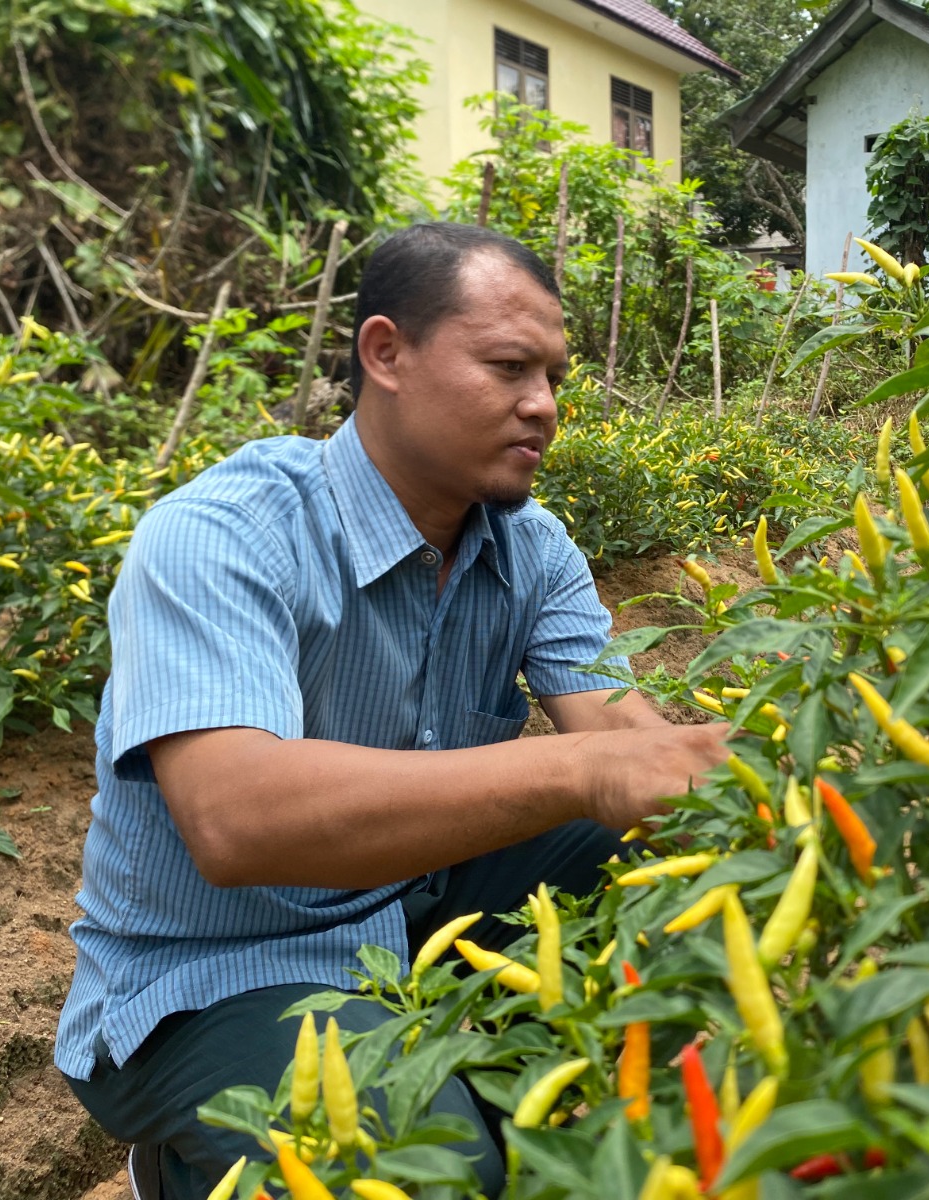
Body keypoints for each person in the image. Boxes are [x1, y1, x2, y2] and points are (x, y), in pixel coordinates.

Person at [54, 222, 731, 1199]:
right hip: (209, 977)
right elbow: (236, 818)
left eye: (552, 376)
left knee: (683, 871)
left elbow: (631, 740)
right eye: (507, 367)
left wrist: (753, 786)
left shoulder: (528, 548)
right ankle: (202, 1158)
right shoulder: (223, 534)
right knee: (429, 1166)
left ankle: (484, 1110)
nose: (542, 406)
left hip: (407, 925)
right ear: (386, 354)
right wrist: (580, 772)